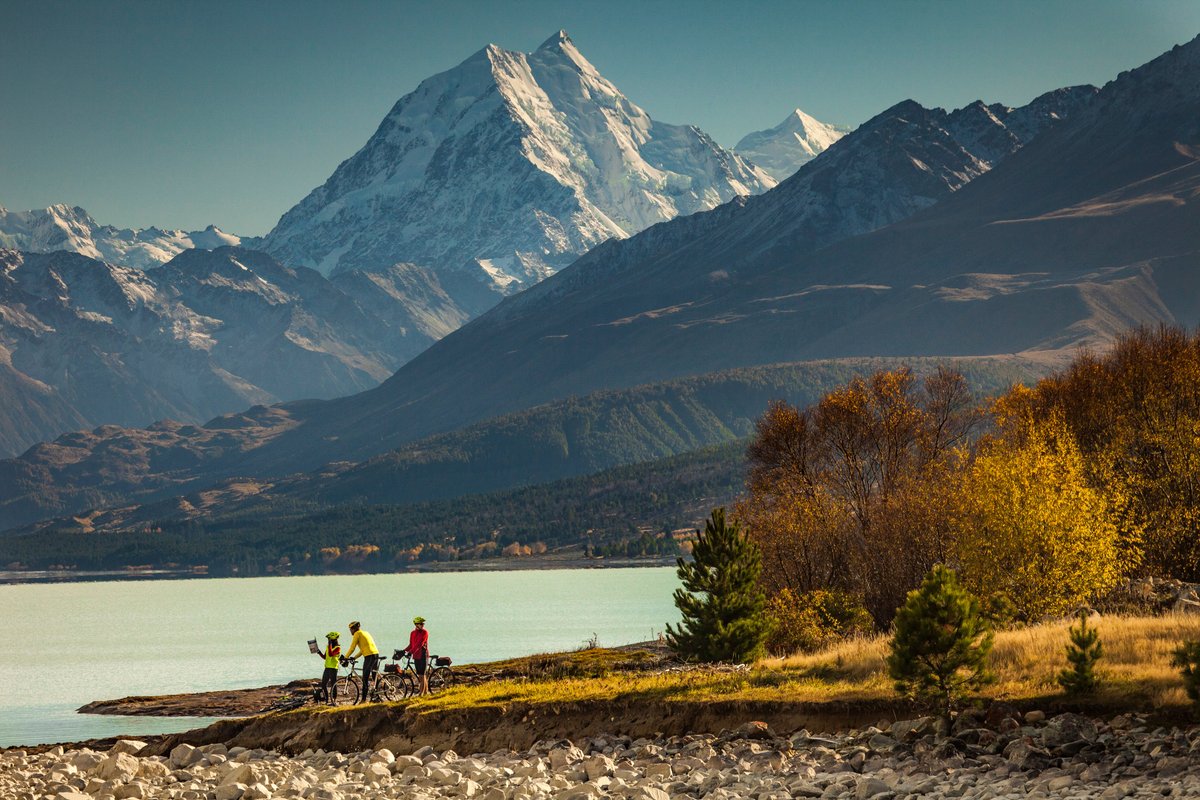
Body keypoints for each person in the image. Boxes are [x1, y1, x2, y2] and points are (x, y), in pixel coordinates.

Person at [345, 620, 379, 703]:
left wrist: (346, 657)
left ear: (354, 629)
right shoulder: (365, 633)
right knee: (374, 676)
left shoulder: (357, 634)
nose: (350, 631)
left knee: (365, 678)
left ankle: (363, 700)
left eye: (351, 629)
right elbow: (364, 649)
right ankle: (376, 697)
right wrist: (355, 657)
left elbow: (352, 648)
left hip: (369, 656)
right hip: (375, 654)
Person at [403, 616, 430, 695]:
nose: (422, 625)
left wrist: (410, 652)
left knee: (422, 675)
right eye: (421, 624)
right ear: (416, 624)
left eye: (423, 624)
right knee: (420, 675)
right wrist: (404, 650)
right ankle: (425, 692)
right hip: (416, 656)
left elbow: (419, 644)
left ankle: (421, 693)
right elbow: (411, 645)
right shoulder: (412, 633)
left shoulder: (425, 632)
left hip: (423, 655)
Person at [315, 631, 341, 704]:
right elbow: (325, 657)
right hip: (327, 668)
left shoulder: (338, 648)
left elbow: (330, 654)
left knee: (333, 684)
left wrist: (329, 644)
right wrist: (319, 652)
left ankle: (334, 700)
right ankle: (327, 700)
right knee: (323, 684)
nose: (328, 641)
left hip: (333, 668)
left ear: (333, 639)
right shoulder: (328, 647)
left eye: (329, 639)